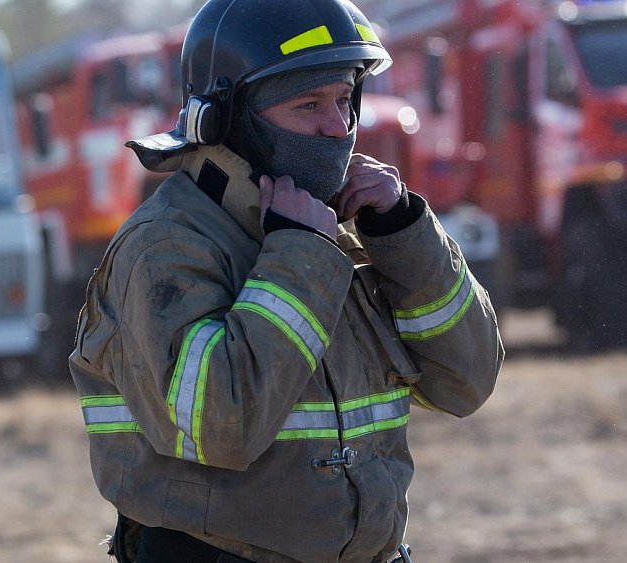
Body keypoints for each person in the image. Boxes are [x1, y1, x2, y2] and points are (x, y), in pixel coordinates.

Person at [69, 1, 504, 561]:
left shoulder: (336, 233)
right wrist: (300, 255)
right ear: (230, 116)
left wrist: (404, 234)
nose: (338, 127)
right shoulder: (168, 247)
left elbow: (466, 384)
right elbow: (221, 427)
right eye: (308, 104)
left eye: (345, 100)